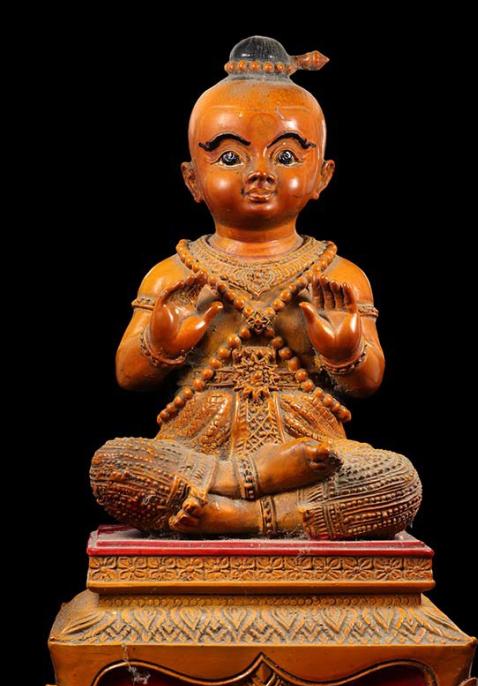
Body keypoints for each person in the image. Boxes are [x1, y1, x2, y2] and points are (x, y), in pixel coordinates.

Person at [90, 36, 422, 539]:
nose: (260, 174)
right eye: (230, 158)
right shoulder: (173, 272)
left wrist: (345, 351)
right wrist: (160, 343)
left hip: (310, 447)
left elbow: (368, 381)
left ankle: (241, 516)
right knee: (111, 466)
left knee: (398, 482)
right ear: (192, 179)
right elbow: (128, 375)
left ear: (322, 176)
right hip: (198, 446)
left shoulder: (340, 273)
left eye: (286, 156)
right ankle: (251, 483)